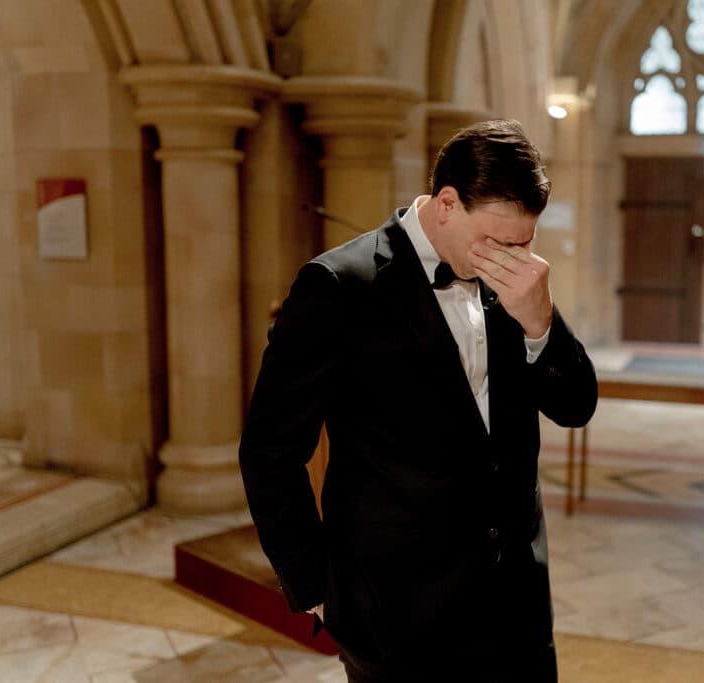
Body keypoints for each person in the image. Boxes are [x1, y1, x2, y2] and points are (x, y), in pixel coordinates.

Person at [239, 119, 598, 682]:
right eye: (501, 241)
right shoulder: (338, 287)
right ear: (448, 204)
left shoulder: (519, 283)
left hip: (516, 607)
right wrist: (315, 585)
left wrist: (541, 323)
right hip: (397, 613)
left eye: (527, 242)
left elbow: (575, 407)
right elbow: (270, 450)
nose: (516, 258)